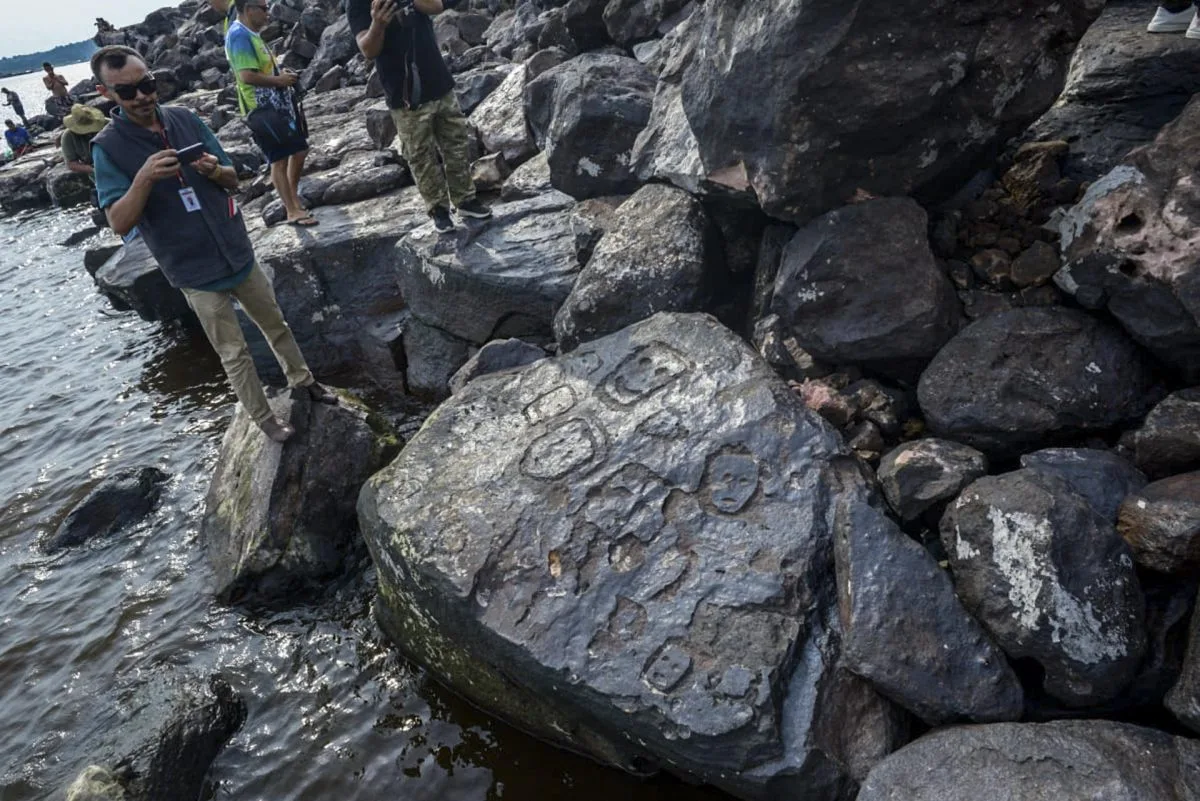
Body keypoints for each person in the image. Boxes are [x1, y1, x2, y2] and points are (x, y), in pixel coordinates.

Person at [89, 45, 338, 443]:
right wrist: (144, 179)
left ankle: (304, 382)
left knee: (276, 323)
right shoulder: (107, 148)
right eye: (127, 92)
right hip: (192, 268)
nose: (142, 97)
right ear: (106, 95)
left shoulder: (185, 119)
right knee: (234, 352)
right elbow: (118, 220)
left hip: (234, 247)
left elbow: (232, 178)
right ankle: (265, 421)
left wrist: (213, 169)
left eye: (147, 84)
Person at [347, 0, 491, 233]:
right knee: (420, 155)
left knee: (457, 142)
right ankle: (438, 210)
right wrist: (378, 24)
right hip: (404, 92)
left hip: (437, 79)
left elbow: (437, 6)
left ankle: (465, 200)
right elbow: (368, 50)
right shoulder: (357, 4)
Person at [226, 0, 316, 226]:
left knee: (297, 150)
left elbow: (260, 68)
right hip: (261, 109)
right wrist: (279, 80)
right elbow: (246, 75)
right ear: (249, 9)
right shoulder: (238, 35)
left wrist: (280, 74)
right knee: (279, 157)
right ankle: (291, 209)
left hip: (275, 106)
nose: (269, 14)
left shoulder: (250, 34)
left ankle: (292, 200)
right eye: (264, 9)